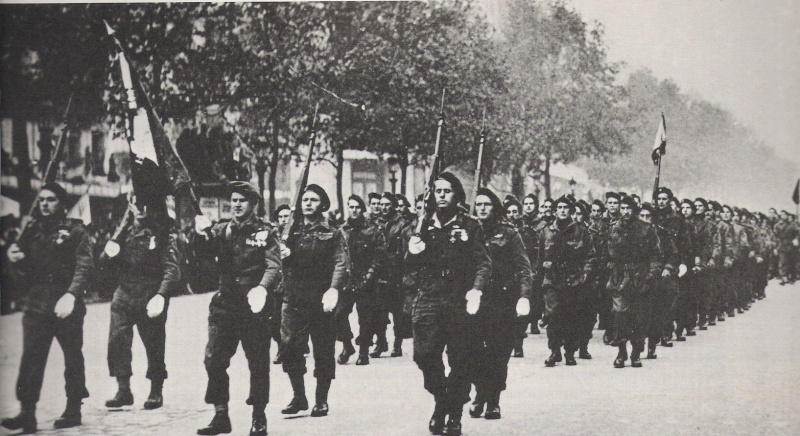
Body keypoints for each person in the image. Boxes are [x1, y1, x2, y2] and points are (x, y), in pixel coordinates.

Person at [404, 172, 491, 436]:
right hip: (429, 295)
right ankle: (443, 401)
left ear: (457, 195)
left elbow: (483, 263)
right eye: (437, 191)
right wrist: (413, 250)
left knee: (461, 359)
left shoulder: (470, 225)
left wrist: (476, 290)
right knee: (424, 354)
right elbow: (406, 265)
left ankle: (453, 415)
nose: (441, 195)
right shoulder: (421, 224)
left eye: (447, 191)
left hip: (458, 297)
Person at [2, 183, 93, 433]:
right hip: (36, 303)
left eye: (51, 200)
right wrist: (14, 260)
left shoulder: (76, 231)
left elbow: (84, 266)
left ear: (62, 204)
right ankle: (27, 413)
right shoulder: (31, 231)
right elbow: (25, 273)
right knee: (31, 358)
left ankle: (74, 407)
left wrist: (72, 294)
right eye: (41, 199)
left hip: (66, 304)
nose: (44, 204)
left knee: (73, 357)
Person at [193, 181, 282, 436]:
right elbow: (203, 257)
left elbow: (274, 266)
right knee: (213, 358)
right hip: (226, 304)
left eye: (242, 201)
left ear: (253, 204)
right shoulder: (222, 230)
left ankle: (259, 416)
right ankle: (221, 414)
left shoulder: (267, 232)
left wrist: (263, 288)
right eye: (233, 200)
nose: (236, 205)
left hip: (255, 305)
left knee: (257, 362)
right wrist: (199, 235)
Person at [102, 197, 181, 411]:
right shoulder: (124, 231)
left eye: (145, 205)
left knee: (154, 343)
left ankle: (156, 389)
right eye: (137, 204)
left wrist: (162, 295)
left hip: (150, 292)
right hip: (125, 291)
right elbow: (105, 263)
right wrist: (109, 252)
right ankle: (123, 388)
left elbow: (172, 269)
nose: (141, 209)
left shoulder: (164, 234)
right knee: (117, 339)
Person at [280, 184, 348, 418]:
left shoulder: (333, 232)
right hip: (293, 296)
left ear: (323, 204)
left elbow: (341, 263)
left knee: (323, 349)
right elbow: (273, 259)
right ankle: (299, 396)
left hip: (321, 297)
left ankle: (321, 400)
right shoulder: (289, 229)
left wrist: (334, 289)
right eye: (305, 199)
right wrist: (283, 254)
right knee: (288, 346)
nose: (308, 203)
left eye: (314, 200)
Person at [469, 188, 532, 420]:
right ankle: (480, 392)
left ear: (494, 207)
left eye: (486, 204)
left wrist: (524, 296)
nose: (482, 208)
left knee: (498, 353)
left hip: (502, 300)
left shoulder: (509, 234)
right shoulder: (470, 232)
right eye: (478, 204)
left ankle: (492, 400)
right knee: (473, 351)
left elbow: (524, 268)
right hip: (475, 301)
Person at [536, 196, 595, 367]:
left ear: (570, 210)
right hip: (552, 280)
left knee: (571, 317)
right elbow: (540, 258)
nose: (562, 210)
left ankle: (570, 352)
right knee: (553, 315)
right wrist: (540, 278)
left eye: (565, 207)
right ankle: (554, 351)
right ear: (554, 211)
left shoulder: (581, 231)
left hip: (573, 280)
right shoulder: (546, 232)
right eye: (559, 207)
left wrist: (585, 274)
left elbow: (590, 256)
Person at [606, 196, 662, 368]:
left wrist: (651, 274)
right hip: (619, 278)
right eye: (622, 208)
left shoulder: (647, 230)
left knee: (639, 318)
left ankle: (636, 353)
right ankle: (621, 352)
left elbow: (655, 255)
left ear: (635, 209)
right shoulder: (614, 228)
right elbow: (607, 253)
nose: (625, 212)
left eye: (628, 208)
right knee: (620, 314)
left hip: (640, 278)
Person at [338, 195, 386, 365]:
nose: (354, 210)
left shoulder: (373, 230)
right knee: (338, 314)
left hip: (366, 281)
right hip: (346, 280)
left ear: (363, 209)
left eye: (357, 207)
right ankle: (347, 345)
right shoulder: (342, 230)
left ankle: (363, 351)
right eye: (351, 207)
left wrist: (369, 276)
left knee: (365, 318)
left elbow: (379, 256)